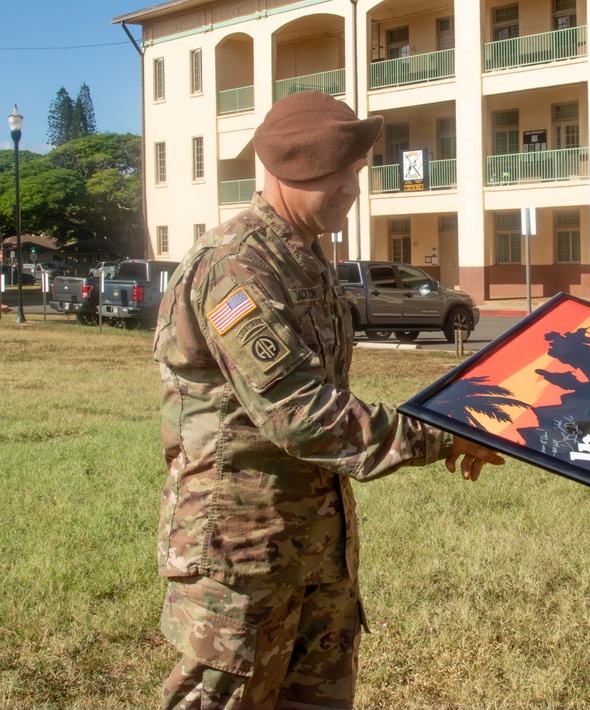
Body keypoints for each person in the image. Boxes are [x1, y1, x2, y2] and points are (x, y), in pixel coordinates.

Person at [152, 90, 503, 709]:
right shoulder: (236, 266)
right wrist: (444, 433)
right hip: (243, 558)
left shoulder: (307, 258)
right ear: (288, 167)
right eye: (334, 173)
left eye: (355, 172)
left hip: (315, 549)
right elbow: (304, 416)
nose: (350, 189)